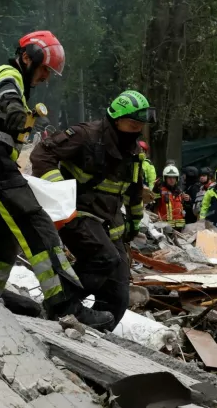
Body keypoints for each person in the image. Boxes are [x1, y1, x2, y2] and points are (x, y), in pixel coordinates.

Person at [0, 33, 112, 327]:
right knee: (38, 227)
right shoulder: (8, 74)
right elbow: (6, 93)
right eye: (44, 69)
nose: (46, 77)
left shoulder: (15, 80)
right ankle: (66, 306)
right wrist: (15, 108)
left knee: (4, 240)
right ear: (27, 57)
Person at [32, 89, 155, 329]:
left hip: (109, 221)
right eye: (133, 124)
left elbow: (134, 191)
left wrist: (133, 222)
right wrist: (59, 191)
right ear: (116, 119)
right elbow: (42, 153)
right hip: (77, 212)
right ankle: (58, 305)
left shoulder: (134, 152)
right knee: (103, 257)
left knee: (118, 296)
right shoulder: (86, 136)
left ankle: (92, 335)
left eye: (140, 125)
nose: (137, 130)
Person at [153, 165, 187, 230]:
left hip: (179, 226)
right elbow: (153, 205)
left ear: (177, 179)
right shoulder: (159, 190)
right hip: (165, 227)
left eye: (174, 178)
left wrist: (188, 200)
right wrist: (155, 189)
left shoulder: (179, 191)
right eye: (169, 178)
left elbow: (183, 207)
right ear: (165, 178)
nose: (172, 180)